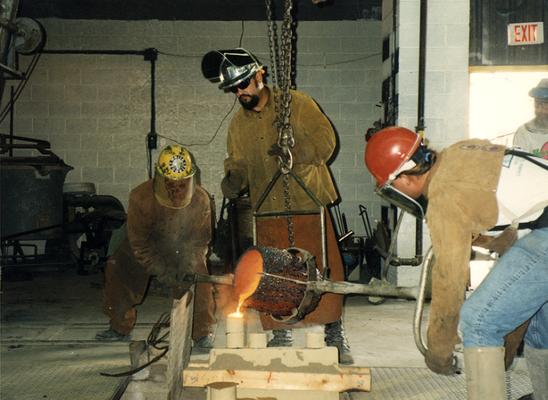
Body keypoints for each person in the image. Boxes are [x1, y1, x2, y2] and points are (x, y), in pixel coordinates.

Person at [364, 126, 548, 399]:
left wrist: (439, 348)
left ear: (403, 178)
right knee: (536, 320)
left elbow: (450, 279)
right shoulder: (459, 152)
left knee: (479, 321)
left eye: (391, 188)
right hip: (540, 226)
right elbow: (509, 199)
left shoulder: (443, 197)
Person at [201, 48, 353, 364]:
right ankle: (280, 331)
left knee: (322, 267)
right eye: (235, 89)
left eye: (244, 83)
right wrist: (234, 179)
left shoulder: (297, 104)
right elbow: (238, 164)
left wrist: (295, 151)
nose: (240, 92)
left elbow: (327, 141)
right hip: (267, 206)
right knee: (271, 273)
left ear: (260, 75)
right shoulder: (237, 126)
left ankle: (333, 331)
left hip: (306, 200)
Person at [96, 145, 216, 353]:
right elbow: (139, 245)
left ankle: (202, 332)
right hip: (145, 245)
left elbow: (200, 242)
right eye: (171, 185)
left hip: (182, 247)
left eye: (182, 185)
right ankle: (119, 326)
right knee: (118, 266)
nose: (177, 190)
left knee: (198, 276)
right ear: (159, 178)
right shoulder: (140, 196)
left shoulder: (201, 199)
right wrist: (164, 272)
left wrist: (188, 268)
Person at [514, 78, 548, 159]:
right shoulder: (523, 132)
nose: (540, 111)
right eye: (537, 106)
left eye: (545, 107)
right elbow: (519, 164)